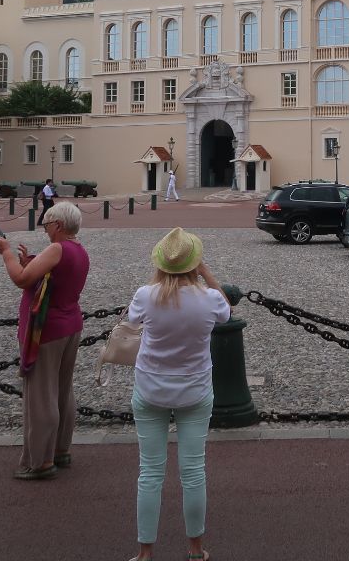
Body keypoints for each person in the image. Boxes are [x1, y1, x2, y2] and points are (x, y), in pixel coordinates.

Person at [127, 228, 230, 561]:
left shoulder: (146, 295)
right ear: (194, 263)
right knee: (193, 471)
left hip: (150, 387)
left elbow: (132, 321)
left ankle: (145, 551)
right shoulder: (209, 299)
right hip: (195, 390)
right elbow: (226, 312)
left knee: (150, 472)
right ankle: (196, 548)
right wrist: (208, 274)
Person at [0, 200, 90, 480]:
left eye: (47, 225)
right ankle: (61, 449)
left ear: (58, 225)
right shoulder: (79, 251)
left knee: (41, 395)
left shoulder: (58, 248)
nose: (46, 230)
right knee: (62, 390)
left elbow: (22, 279)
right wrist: (31, 263)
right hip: (71, 324)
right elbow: (53, 277)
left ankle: (41, 460)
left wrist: (7, 254)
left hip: (47, 330)